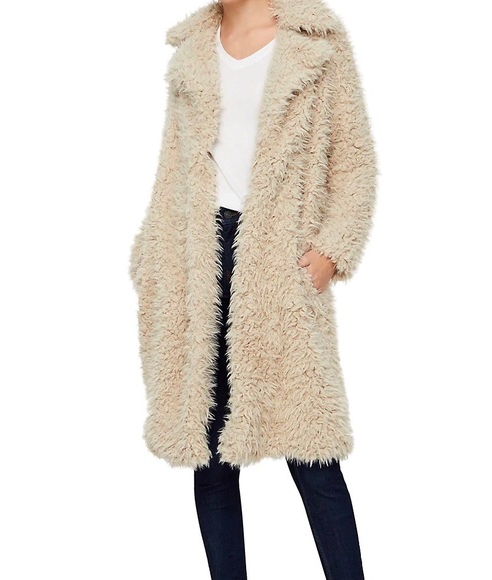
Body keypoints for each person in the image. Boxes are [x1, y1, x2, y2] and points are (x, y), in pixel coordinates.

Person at [129, 0, 377, 578]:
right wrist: (152, 257)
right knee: (209, 450)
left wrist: (332, 249)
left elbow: (355, 161)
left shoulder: (315, 40)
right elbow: (172, 171)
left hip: (279, 260)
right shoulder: (193, 49)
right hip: (197, 258)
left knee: (311, 446)